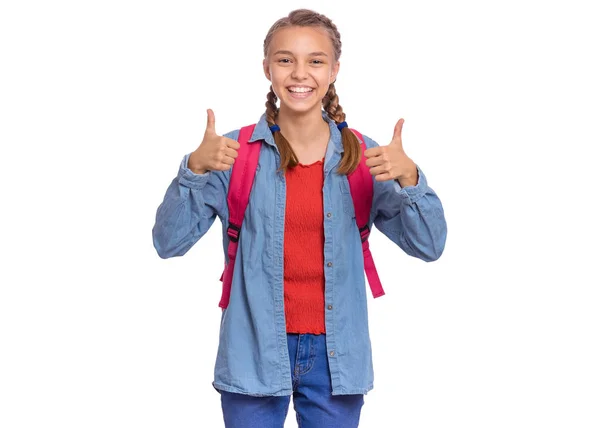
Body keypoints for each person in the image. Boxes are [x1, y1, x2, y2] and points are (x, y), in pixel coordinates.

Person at [152, 8, 447, 428]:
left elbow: (430, 246)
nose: (299, 73)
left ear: (334, 70)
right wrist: (195, 171)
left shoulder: (363, 156)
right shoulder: (232, 153)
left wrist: (411, 179)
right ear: (267, 68)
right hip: (252, 350)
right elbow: (168, 243)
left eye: (315, 60)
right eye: (285, 59)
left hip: (336, 357)